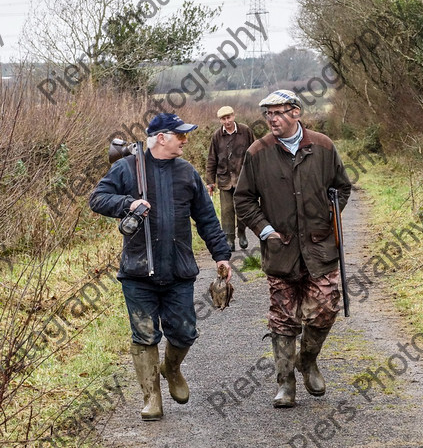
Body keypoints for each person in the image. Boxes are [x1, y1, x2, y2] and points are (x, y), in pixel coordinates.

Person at [89, 113, 232, 421]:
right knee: (144, 335)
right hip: (138, 272)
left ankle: (172, 368)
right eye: (180, 135)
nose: (185, 140)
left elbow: (206, 218)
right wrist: (127, 204)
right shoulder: (127, 168)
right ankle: (151, 397)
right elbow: (97, 198)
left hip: (179, 270)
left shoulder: (187, 172)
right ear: (162, 137)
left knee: (184, 332)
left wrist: (221, 255)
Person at [234, 90, 351, 408]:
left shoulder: (323, 146)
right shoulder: (257, 153)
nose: (272, 119)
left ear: (296, 113)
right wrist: (265, 229)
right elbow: (243, 198)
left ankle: (308, 360)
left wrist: (328, 217)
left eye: (279, 112)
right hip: (280, 249)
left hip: (319, 248)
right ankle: (285, 383)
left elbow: (342, 186)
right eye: (267, 114)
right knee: (283, 319)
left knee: (325, 309)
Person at [206, 106, 255, 251]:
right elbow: (211, 160)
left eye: (229, 117)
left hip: (243, 179)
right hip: (224, 180)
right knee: (227, 210)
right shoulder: (216, 136)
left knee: (241, 208)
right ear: (220, 120)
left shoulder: (245, 131)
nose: (227, 121)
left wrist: (256, 174)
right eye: (223, 119)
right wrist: (210, 181)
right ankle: (229, 239)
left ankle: (241, 233)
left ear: (234, 116)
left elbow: (255, 152)